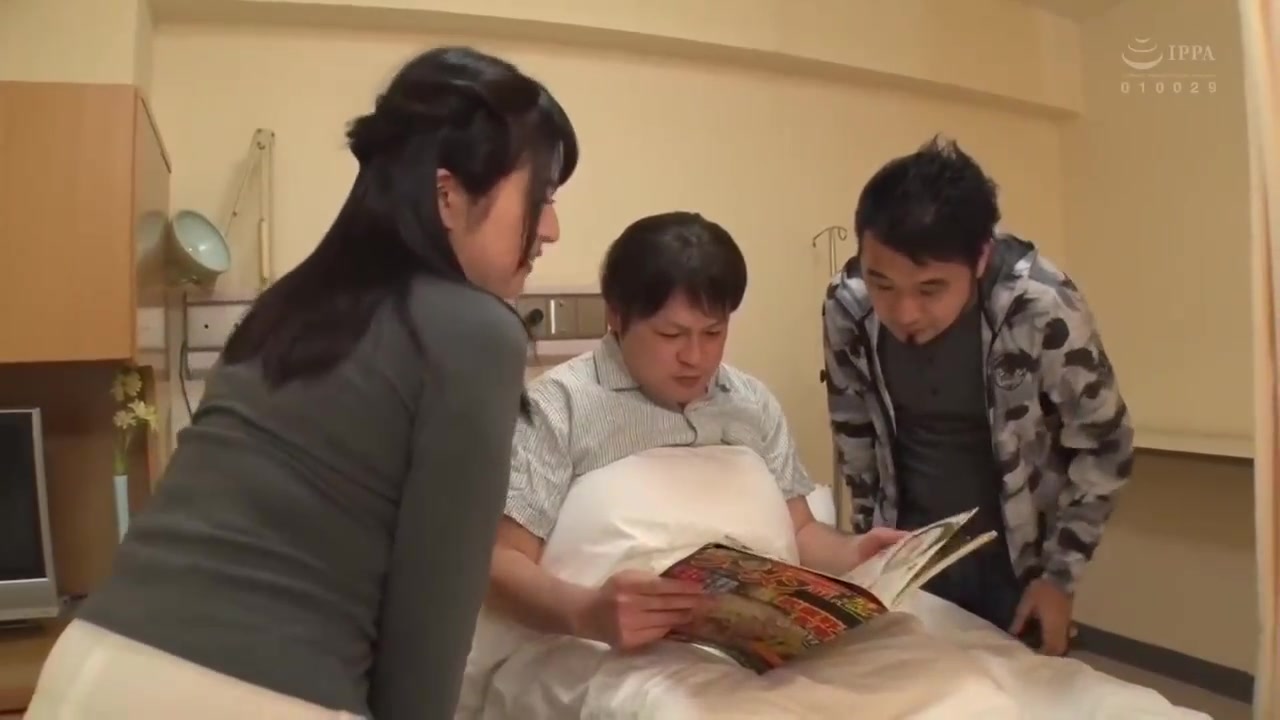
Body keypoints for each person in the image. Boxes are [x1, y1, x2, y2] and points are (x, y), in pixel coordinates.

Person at [26, 46, 578, 720]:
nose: (552, 229)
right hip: (246, 697)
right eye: (541, 197)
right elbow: (432, 620)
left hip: (89, 668)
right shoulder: (477, 332)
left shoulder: (288, 309)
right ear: (447, 195)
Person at [488, 211, 905, 649]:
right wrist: (587, 613)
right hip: (612, 649)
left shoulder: (751, 402)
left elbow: (800, 531)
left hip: (763, 641)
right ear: (616, 315)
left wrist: (856, 554)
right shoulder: (559, 407)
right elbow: (500, 559)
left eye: (713, 332)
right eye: (671, 335)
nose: (695, 357)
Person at [822, 136, 1134, 657]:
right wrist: (866, 545)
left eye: (930, 289)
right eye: (883, 284)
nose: (903, 313)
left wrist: (1059, 579)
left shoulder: (1042, 308)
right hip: (905, 555)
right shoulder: (848, 305)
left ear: (981, 258)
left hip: (1015, 564)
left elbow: (1105, 444)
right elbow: (854, 435)